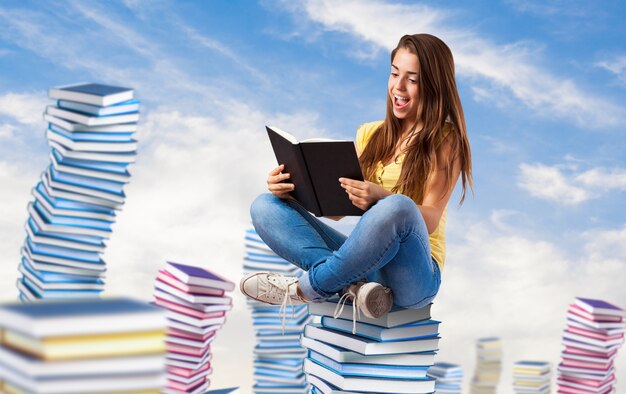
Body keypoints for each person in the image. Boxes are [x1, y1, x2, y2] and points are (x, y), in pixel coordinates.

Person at [240, 34, 473, 323]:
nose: (398, 87)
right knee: (264, 206)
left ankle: (304, 289)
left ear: (435, 86)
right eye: (394, 74)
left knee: (398, 207)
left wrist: (380, 198)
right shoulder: (370, 134)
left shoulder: (447, 140)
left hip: (415, 276)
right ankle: (356, 287)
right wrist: (293, 190)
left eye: (412, 79)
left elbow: (430, 219)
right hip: (367, 264)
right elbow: (338, 211)